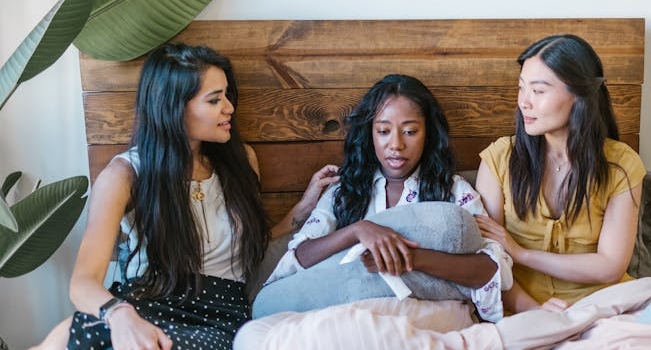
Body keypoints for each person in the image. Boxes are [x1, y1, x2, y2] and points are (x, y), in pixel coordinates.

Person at [33, 43, 338, 350]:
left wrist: (301, 211)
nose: (229, 107)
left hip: (220, 315)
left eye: (227, 95)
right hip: (144, 305)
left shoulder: (242, 161)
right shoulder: (124, 175)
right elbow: (82, 282)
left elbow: (245, 248)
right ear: (174, 107)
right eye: (215, 100)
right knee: (72, 336)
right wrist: (120, 313)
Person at [255, 74, 515, 322]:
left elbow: (492, 270)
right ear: (370, 134)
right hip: (351, 315)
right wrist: (359, 230)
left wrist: (411, 259)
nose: (396, 144)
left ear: (429, 134)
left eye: (410, 132)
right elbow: (300, 256)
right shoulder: (345, 191)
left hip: (427, 318)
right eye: (383, 131)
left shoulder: (454, 191)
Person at [474, 34, 646, 313]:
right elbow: (487, 260)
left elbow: (611, 267)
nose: (524, 102)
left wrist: (521, 253)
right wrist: (534, 311)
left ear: (579, 95)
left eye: (538, 91)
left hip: (604, 307)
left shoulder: (621, 165)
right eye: (521, 88)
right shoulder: (499, 159)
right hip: (520, 309)